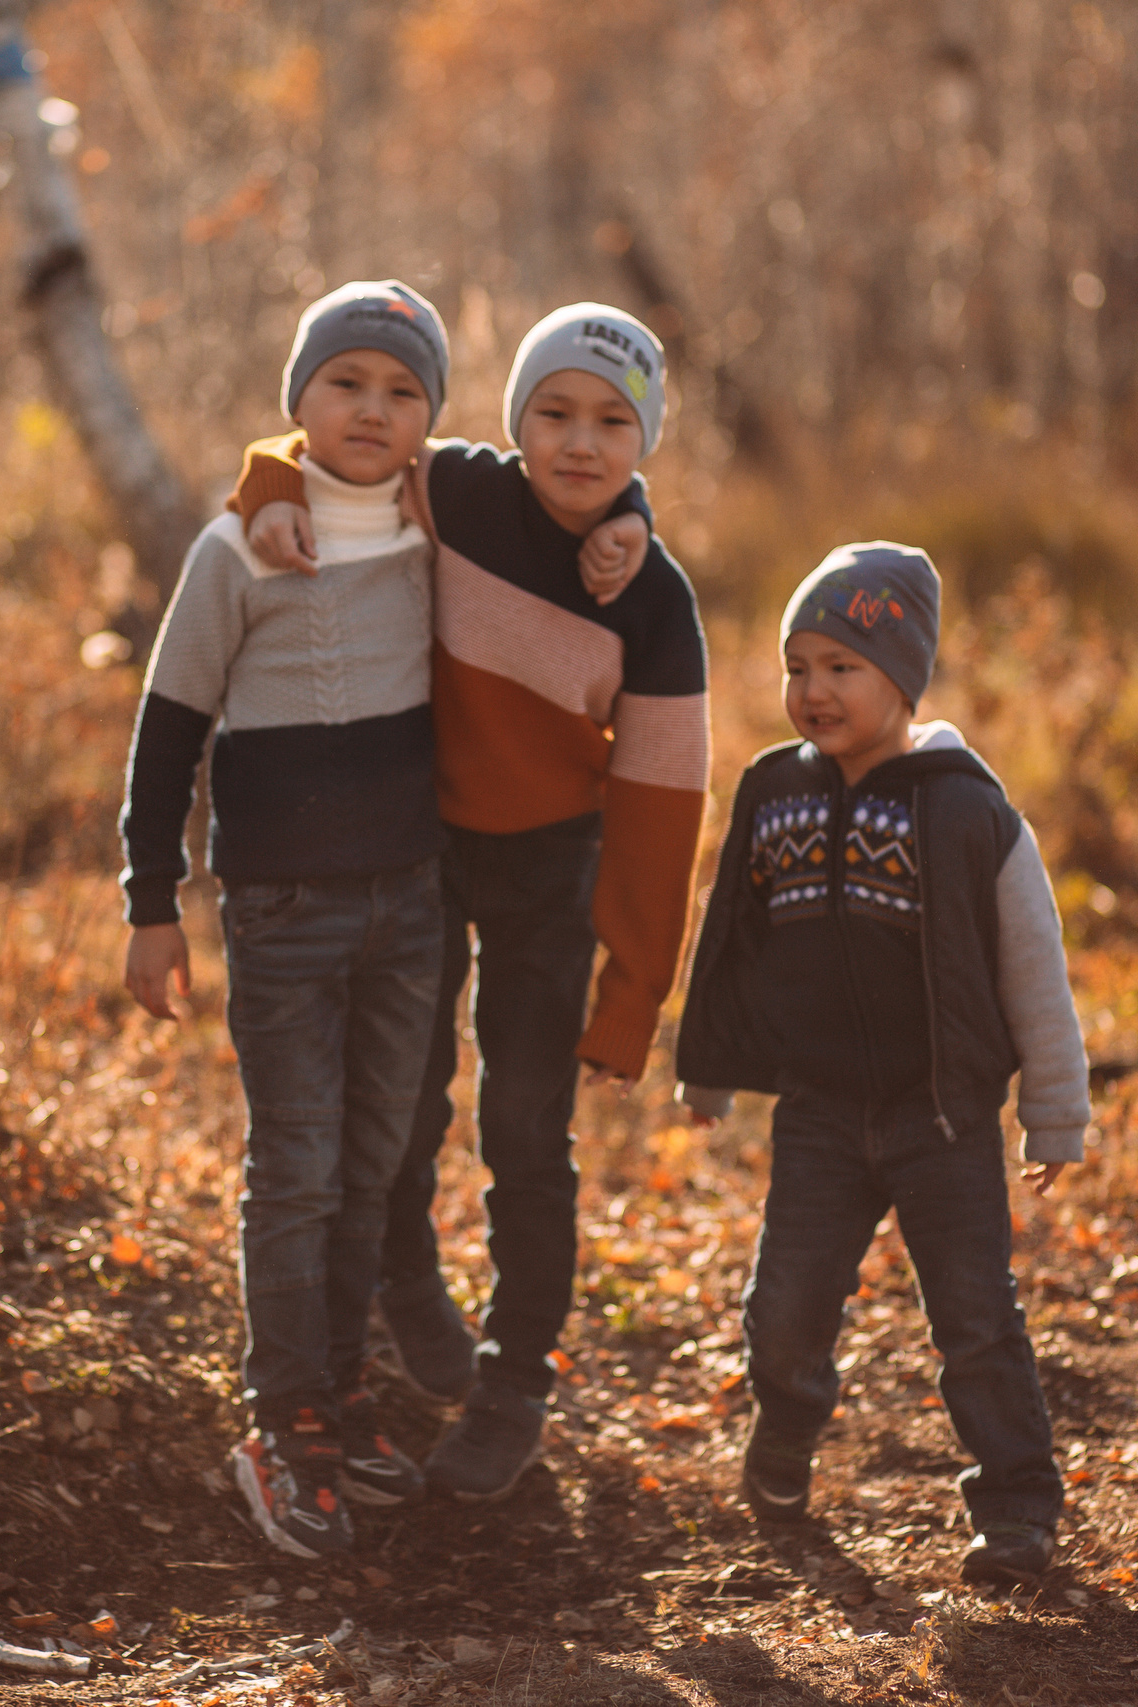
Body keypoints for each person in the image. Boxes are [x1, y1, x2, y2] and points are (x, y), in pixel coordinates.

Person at [237, 305, 710, 1503]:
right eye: (552, 413)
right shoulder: (456, 493)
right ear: (514, 424)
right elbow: (327, 447)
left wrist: (632, 995)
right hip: (421, 851)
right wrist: (263, 493)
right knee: (401, 1104)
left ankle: (513, 1382)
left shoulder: (654, 606)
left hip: (552, 873)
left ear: (645, 441)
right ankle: (404, 1279)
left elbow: (661, 811)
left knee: (525, 1133)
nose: (580, 445)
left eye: (613, 424)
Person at [674, 541, 1091, 1589]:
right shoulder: (776, 795)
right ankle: (784, 1436)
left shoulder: (964, 811)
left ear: (903, 679)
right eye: (797, 667)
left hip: (939, 1117)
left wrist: (1053, 1113)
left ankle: (1016, 1509)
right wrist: (709, 1065)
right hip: (819, 1114)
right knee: (783, 1310)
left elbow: (1031, 964)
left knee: (974, 1320)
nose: (812, 691)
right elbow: (732, 937)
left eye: (841, 667)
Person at [119, 280, 456, 1559]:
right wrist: (152, 902)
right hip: (285, 912)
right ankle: (282, 1418)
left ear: (429, 417)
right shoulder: (236, 547)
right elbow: (168, 729)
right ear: (296, 400)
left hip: (411, 903)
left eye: (402, 390)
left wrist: (623, 526)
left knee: (373, 1161)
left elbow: (570, 488)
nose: (371, 410)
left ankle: (341, 1388)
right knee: (298, 1164)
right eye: (344, 383)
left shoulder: (441, 529)